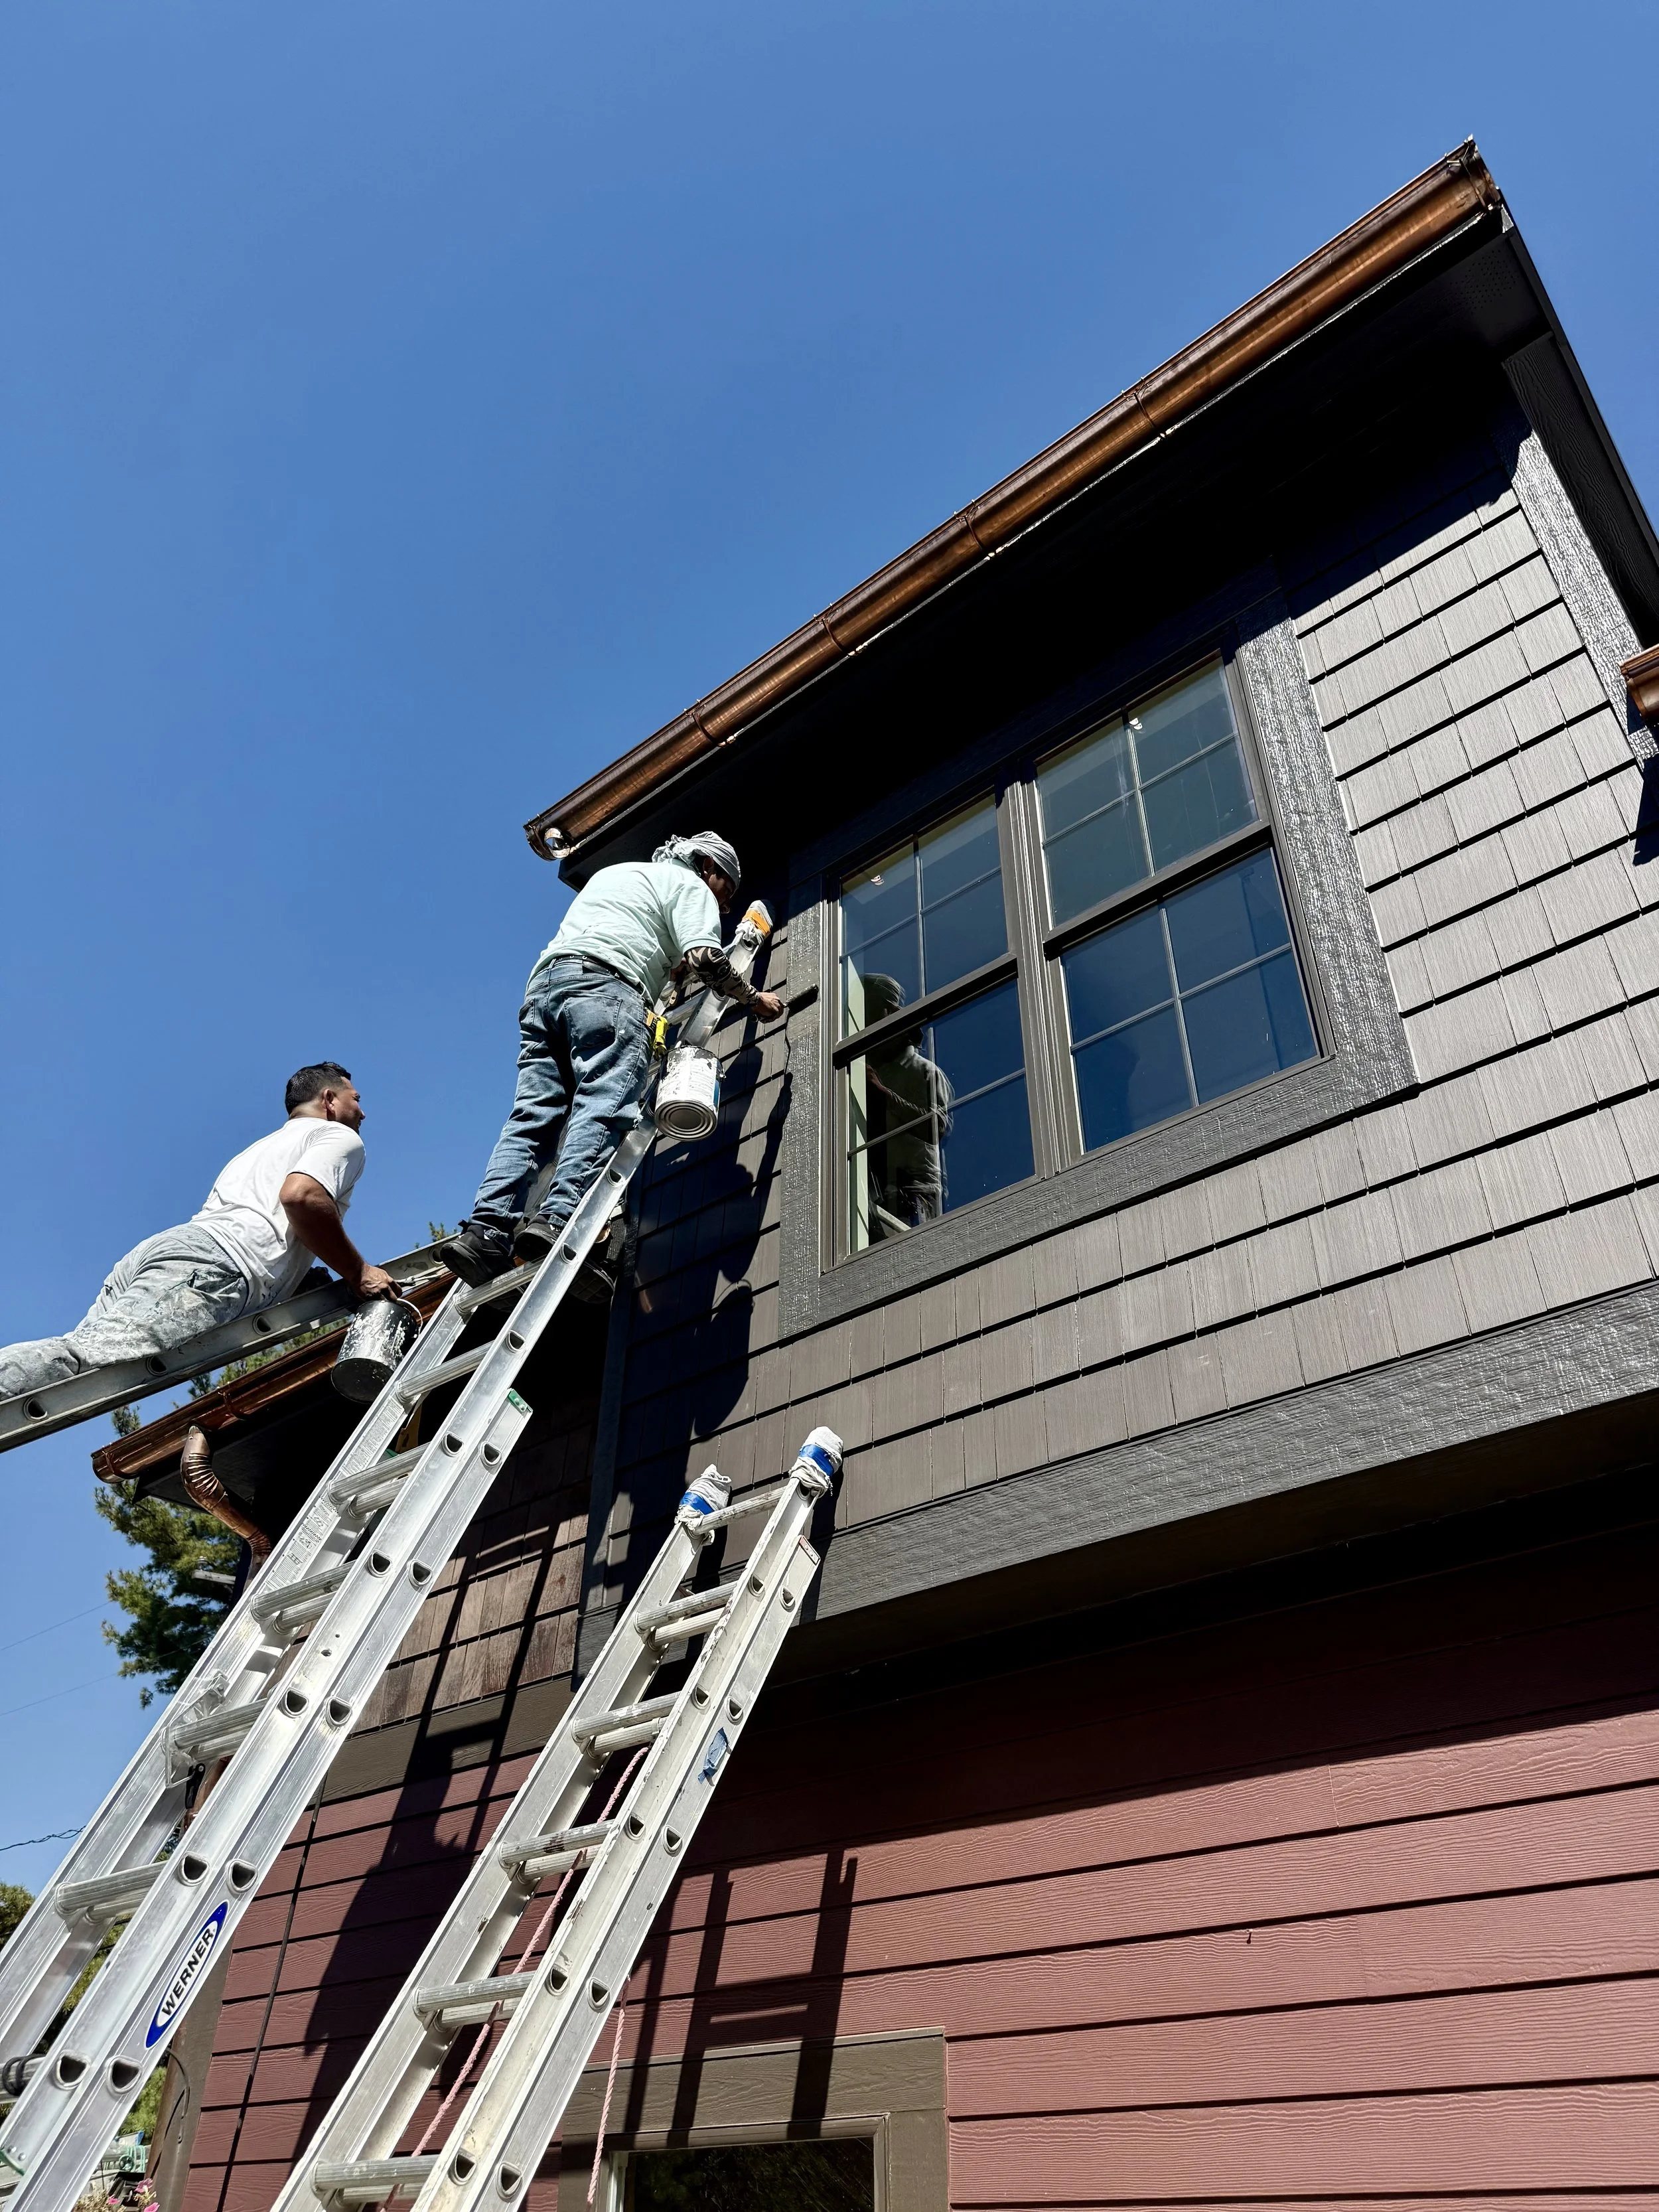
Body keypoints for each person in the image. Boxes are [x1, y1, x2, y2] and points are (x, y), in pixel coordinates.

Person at [437, 832, 785, 1291]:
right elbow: (706, 957)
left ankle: (485, 1232)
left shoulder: (618, 876)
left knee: (532, 1116)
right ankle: (558, 1218)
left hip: (546, 989)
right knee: (604, 1103)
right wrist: (753, 997)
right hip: (608, 991)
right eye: (727, 891)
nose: (723, 907)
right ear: (708, 867)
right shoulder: (692, 888)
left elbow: (637, 936)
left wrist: (667, 967)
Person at [0, 1063, 395, 1405]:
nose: (363, 1113)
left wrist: (305, 1280)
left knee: (77, 1374)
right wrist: (359, 1272)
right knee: (82, 1361)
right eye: (356, 1098)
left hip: (174, 1254)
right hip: (213, 1267)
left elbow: (270, 1225)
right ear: (329, 1099)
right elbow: (301, 1198)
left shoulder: (259, 1149)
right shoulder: (339, 1138)